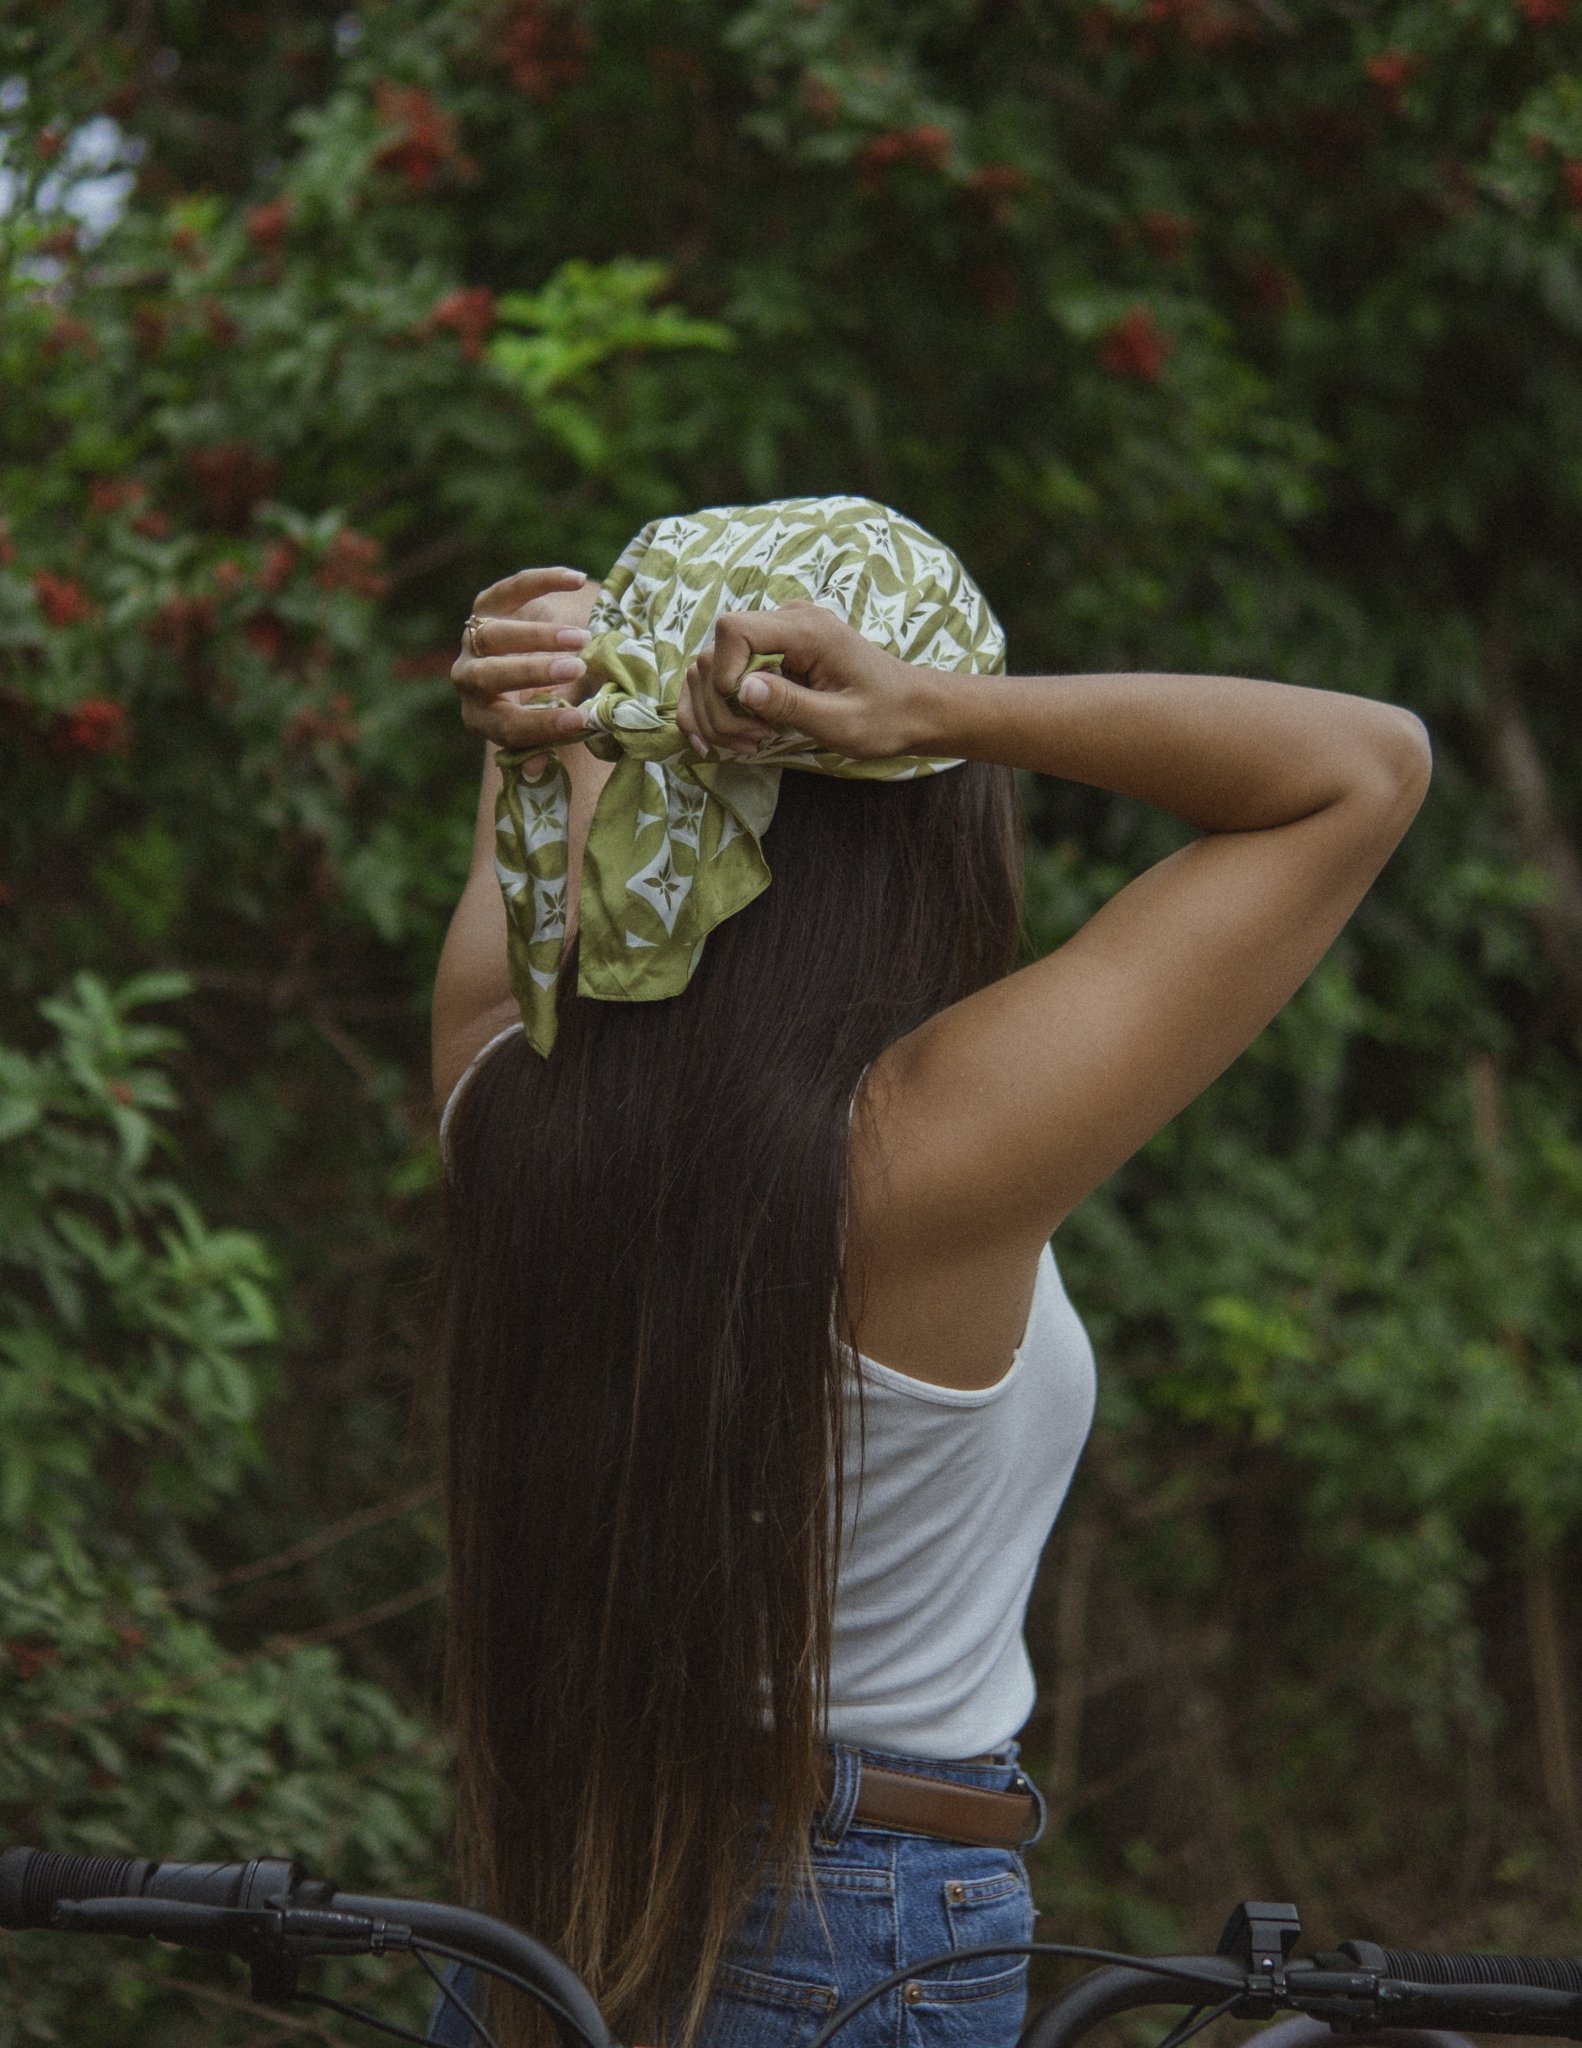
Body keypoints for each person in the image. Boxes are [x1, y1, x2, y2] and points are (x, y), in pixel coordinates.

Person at [427, 496, 1431, 2048]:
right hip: (844, 1933)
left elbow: (563, 871)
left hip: (539, 1907)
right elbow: (1363, 768)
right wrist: (939, 707)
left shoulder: (506, 1103)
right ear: (929, 811)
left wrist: (547, 720)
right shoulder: (910, 1160)